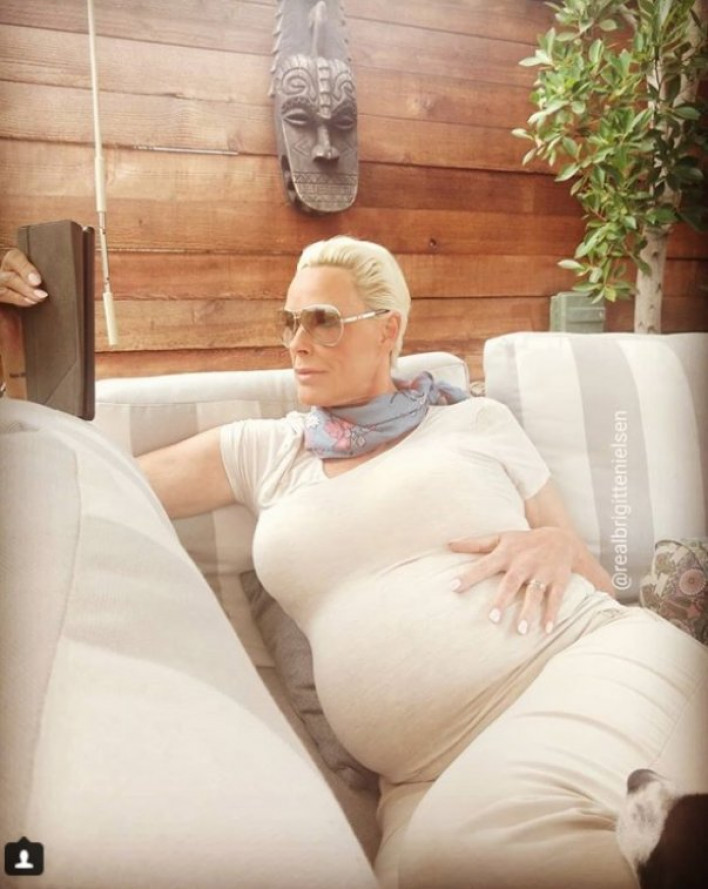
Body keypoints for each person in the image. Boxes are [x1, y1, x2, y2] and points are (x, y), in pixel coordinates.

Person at [2, 238, 707, 889]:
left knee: (466, 856)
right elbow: (73, 477)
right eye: (290, 322)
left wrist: (558, 543)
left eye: (323, 321)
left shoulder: (474, 422)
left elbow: (591, 572)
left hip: (580, 663)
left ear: (388, 329)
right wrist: (10, 366)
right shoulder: (267, 451)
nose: (298, 343)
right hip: (420, 779)